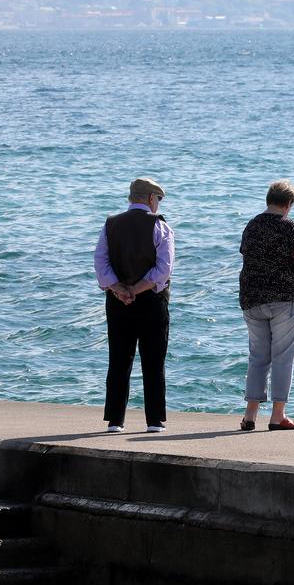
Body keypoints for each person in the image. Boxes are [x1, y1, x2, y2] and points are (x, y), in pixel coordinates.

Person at [94, 177, 175, 434]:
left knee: (119, 358)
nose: (158, 204)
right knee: (153, 360)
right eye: (158, 199)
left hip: (118, 303)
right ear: (151, 198)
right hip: (152, 301)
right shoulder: (161, 227)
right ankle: (154, 421)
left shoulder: (111, 225)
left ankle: (115, 420)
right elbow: (163, 269)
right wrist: (137, 289)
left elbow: (100, 262)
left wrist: (119, 289)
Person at [239, 179, 294, 431]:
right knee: (283, 357)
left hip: (252, 299)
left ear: (269, 199)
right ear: (288, 204)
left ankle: (250, 415)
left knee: (258, 357)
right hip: (284, 299)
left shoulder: (252, 225)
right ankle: (277, 415)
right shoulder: (288, 226)